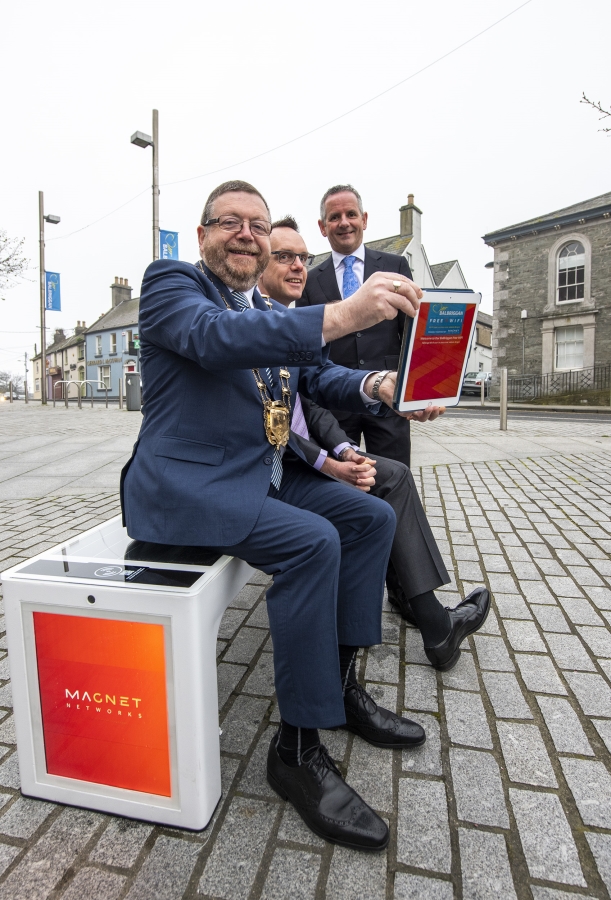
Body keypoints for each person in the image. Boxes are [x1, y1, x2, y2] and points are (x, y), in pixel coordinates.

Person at [122, 180, 443, 853]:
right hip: (188, 489)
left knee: (368, 517)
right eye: (228, 222)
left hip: (254, 481)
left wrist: (382, 386)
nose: (245, 233)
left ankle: (342, 686)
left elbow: (317, 378)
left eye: (257, 225)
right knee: (312, 543)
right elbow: (215, 340)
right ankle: (295, 751)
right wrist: (344, 314)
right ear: (203, 232)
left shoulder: (258, 304)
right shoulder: (173, 286)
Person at [258, 216, 490, 667]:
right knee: (379, 495)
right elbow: (271, 424)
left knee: (393, 476)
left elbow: (313, 402)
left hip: (329, 437)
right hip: (279, 473)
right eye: (283, 256)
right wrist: (328, 464)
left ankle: (427, 618)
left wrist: (353, 433)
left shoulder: (286, 321)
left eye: (302, 257)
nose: (297, 266)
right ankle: (429, 627)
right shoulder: (251, 323)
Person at [297, 185, 422, 619]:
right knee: (347, 491)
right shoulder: (310, 279)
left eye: (351, 214)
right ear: (322, 227)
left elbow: (411, 331)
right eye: (335, 217)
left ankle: (402, 591)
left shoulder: (394, 266)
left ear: (365, 220)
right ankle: (345, 586)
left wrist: (412, 387)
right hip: (335, 405)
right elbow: (309, 345)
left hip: (386, 399)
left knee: (393, 488)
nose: (344, 223)